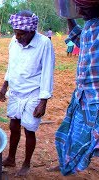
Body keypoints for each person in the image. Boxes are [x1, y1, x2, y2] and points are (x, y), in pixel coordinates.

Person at [0, 10, 55, 176]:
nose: (17, 37)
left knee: (29, 130)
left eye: (21, 34)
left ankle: (27, 163)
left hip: (33, 94)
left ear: (32, 31)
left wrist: (43, 101)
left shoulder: (44, 43)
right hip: (16, 92)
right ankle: (11, 158)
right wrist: (4, 86)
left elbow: (47, 73)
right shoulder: (14, 41)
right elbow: (11, 65)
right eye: (16, 33)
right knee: (13, 126)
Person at [53, 0, 99, 176]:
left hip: (96, 101)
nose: (79, 9)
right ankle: (69, 162)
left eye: (83, 6)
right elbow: (80, 40)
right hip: (84, 97)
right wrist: (68, 16)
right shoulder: (90, 25)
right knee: (71, 136)